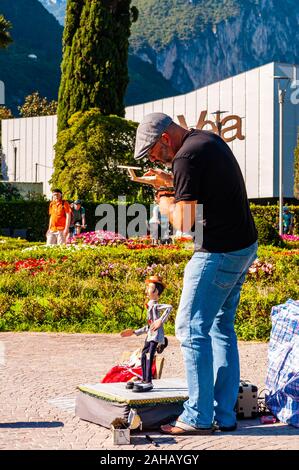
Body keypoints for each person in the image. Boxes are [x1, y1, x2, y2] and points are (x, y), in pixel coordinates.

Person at [133, 112, 258, 434]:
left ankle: (197, 417)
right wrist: (170, 182)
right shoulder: (206, 140)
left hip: (217, 252)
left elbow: (183, 223)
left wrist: (161, 196)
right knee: (220, 328)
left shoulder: (185, 157)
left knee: (190, 329)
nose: (155, 160)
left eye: (153, 153)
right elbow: (204, 186)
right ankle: (224, 414)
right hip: (243, 247)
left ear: (164, 139)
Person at [120, 275, 172, 392]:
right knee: (143, 355)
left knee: (149, 356)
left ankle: (148, 381)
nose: (146, 291)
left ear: (156, 291)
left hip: (155, 336)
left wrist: (161, 320)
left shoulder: (155, 306)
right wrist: (135, 332)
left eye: (149, 288)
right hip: (150, 335)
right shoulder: (150, 306)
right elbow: (149, 325)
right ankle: (144, 379)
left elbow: (169, 307)